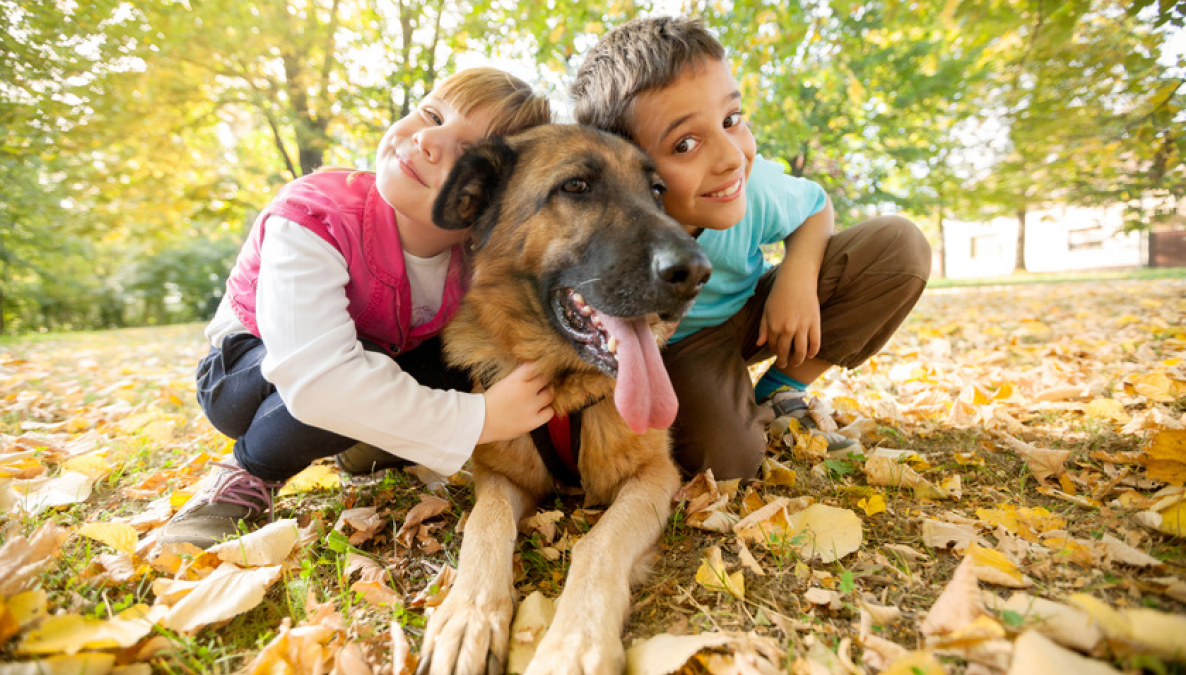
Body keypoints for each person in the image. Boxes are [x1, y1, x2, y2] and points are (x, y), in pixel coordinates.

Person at [162, 68, 555, 548]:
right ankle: (243, 475)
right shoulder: (314, 214)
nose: (429, 139)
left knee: (456, 356)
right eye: (431, 114)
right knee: (346, 373)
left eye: (470, 155)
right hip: (244, 373)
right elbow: (321, 380)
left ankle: (367, 441)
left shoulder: (472, 261)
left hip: (369, 359)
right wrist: (481, 418)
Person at [571, 17, 932, 481]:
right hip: (680, 349)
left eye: (731, 120)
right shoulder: (607, 229)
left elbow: (815, 206)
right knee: (727, 463)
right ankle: (733, 409)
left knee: (899, 246)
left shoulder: (751, 184)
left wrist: (797, 279)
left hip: (753, 314)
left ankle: (782, 393)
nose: (730, 156)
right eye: (685, 143)